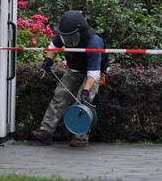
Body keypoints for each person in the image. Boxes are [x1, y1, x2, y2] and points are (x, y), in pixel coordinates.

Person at [29, 10, 105, 148]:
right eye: (66, 37)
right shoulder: (66, 34)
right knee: (60, 96)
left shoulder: (94, 41)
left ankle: (80, 137)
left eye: (71, 37)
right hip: (73, 70)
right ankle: (46, 131)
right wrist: (48, 60)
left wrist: (86, 91)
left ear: (80, 30)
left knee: (82, 103)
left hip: (91, 74)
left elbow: (93, 73)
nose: (68, 41)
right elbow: (53, 46)